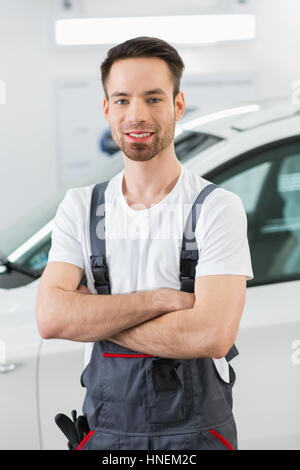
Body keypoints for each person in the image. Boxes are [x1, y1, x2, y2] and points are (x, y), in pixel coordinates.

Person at [35, 36, 254, 450]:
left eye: (153, 98)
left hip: (196, 439)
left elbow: (212, 334)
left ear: (178, 104)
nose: (136, 114)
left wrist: (94, 319)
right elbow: (51, 319)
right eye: (121, 100)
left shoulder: (217, 208)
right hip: (106, 437)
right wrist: (159, 301)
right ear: (106, 109)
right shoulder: (80, 207)